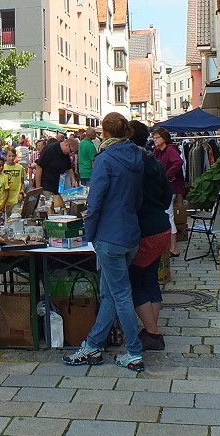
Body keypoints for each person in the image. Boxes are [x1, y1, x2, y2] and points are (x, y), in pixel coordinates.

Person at [63, 112, 146, 372]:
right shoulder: (137, 156)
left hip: (110, 235)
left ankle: (133, 352)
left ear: (105, 133)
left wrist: (89, 231)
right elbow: (138, 198)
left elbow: (95, 201)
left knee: (120, 294)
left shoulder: (106, 158)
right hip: (130, 232)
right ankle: (94, 344)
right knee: (110, 293)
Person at [127, 120, 173, 351]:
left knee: (134, 281)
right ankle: (152, 330)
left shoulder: (133, 163)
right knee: (150, 279)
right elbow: (167, 196)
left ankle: (153, 333)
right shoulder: (153, 159)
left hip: (145, 230)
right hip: (161, 227)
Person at [151, 128, 187, 256]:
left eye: (157, 138)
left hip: (169, 188)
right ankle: (170, 246)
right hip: (164, 188)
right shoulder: (158, 151)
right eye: (153, 138)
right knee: (167, 214)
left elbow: (178, 162)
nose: (154, 140)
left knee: (168, 214)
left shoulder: (170, 149)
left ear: (164, 138)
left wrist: (166, 176)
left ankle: (173, 247)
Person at [1, 147, 24, 215]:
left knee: (15, 218)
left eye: (13, 156)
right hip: (5, 199)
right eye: (9, 156)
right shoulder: (2, 168)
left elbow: (22, 183)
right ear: (6, 156)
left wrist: (21, 193)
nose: (11, 158)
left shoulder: (20, 168)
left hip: (16, 198)